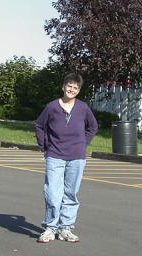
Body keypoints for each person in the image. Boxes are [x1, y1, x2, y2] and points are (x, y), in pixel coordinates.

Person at [35, 73, 98, 243]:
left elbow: (93, 127)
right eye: (69, 86)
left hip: (77, 157)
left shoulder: (83, 108)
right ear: (63, 87)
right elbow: (40, 126)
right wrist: (44, 146)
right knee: (53, 194)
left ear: (78, 90)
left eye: (75, 87)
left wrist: (83, 143)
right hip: (55, 156)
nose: (71, 89)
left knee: (71, 194)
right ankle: (50, 228)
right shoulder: (52, 107)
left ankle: (66, 229)